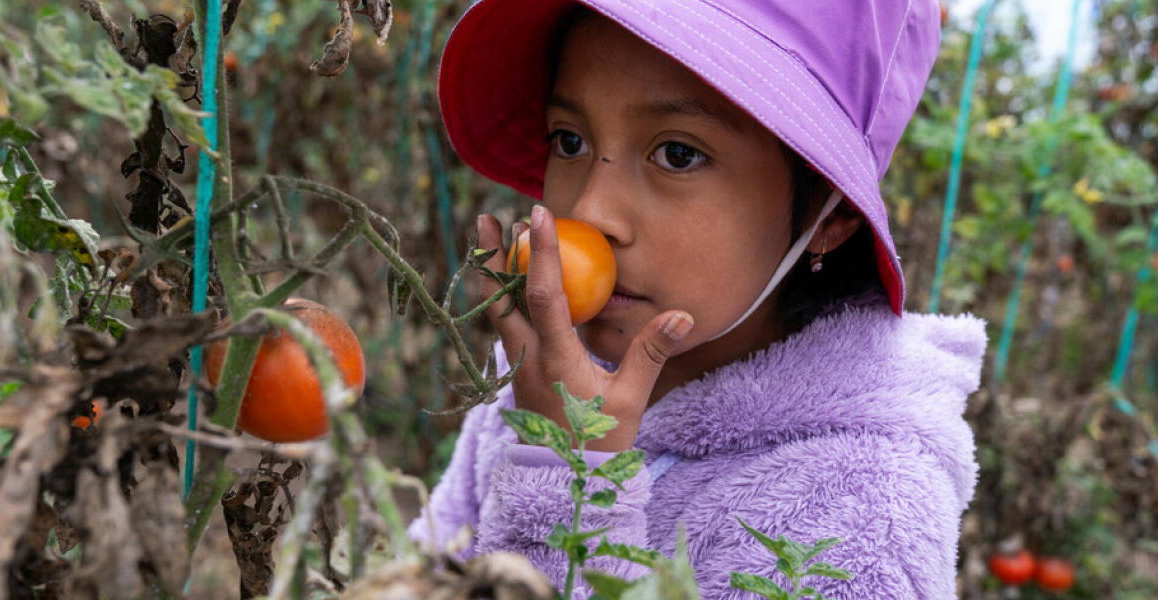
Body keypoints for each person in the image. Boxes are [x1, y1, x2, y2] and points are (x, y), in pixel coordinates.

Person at [409, 0, 988, 598]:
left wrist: (570, 478)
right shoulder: (540, 373)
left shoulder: (869, 515)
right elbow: (425, 565)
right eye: (570, 140)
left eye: (678, 154)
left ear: (831, 215)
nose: (590, 212)